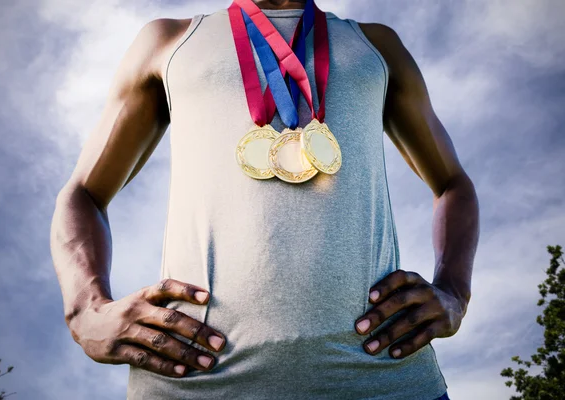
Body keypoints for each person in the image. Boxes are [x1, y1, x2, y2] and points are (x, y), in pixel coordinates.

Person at [50, 0, 479, 399]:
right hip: (195, 384)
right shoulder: (168, 41)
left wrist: (454, 292)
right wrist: (85, 309)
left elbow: (453, 183)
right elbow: (83, 193)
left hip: (386, 381)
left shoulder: (376, 45)